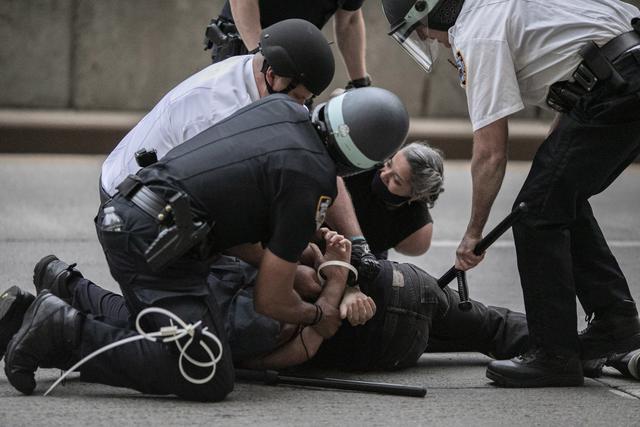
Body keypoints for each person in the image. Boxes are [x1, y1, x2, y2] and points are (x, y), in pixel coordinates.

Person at [1, 87, 409, 400]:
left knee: (176, 327)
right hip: (154, 240)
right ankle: (61, 334)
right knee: (205, 369)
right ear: (362, 162)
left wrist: (300, 266)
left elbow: (245, 221)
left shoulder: (281, 108)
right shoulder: (310, 180)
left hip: (137, 214)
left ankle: (47, 303)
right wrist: (318, 312)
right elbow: (271, 300)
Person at [382, 0, 640, 387]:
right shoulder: (507, 6)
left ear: (432, 9)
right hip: (622, 76)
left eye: (419, 28)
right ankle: (615, 323)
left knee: (535, 214)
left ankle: (553, 355)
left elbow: (489, 153)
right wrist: (552, 162)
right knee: (556, 197)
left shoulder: (475, 32)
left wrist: (474, 233)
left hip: (616, 86)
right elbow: (584, 63)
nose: (425, 38)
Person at [101, 18, 335, 198]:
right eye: (297, 98)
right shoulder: (218, 113)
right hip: (125, 202)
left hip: (165, 182)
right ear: (273, 77)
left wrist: (355, 241)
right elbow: (220, 200)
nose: (300, 109)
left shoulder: (254, 70)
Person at [204, 0, 371, 90]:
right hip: (245, 52)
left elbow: (350, 20)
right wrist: (261, 56)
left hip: (293, 66)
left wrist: (359, 82)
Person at [340, 141, 444, 259]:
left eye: (396, 180)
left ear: (416, 195)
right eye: (389, 164)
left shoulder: (417, 232)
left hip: (361, 257)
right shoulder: (364, 159)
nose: (384, 174)